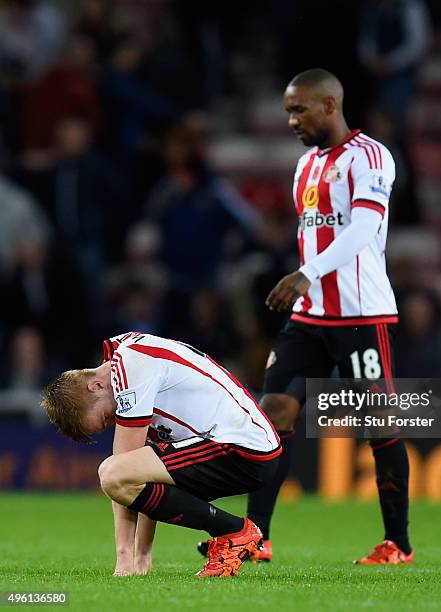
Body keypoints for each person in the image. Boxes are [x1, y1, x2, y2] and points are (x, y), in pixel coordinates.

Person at [204, 68, 413, 565]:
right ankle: (256, 537)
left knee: (378, 424)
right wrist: (305, 283)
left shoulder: (371, 156)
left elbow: (365, 228)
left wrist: (306, 273)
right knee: (271, 414)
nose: (292, 120)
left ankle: (398, 544)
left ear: (329, 106)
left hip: (360, 313)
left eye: (299, 109)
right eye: (287, 111)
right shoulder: (304, 167)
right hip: (311, 315)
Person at [41, 331, 282, 577]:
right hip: (247, 448)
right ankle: (231, 535)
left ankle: (235, 532)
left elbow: (124, 472)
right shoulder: (128, 357)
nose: (115, 422)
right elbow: (144, 475)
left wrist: (124, 559)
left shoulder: (131, 367)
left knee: (111, 472)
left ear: (96, 385)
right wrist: (142, 558)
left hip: (241, 446)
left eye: (106, 418)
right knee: (120, 473)